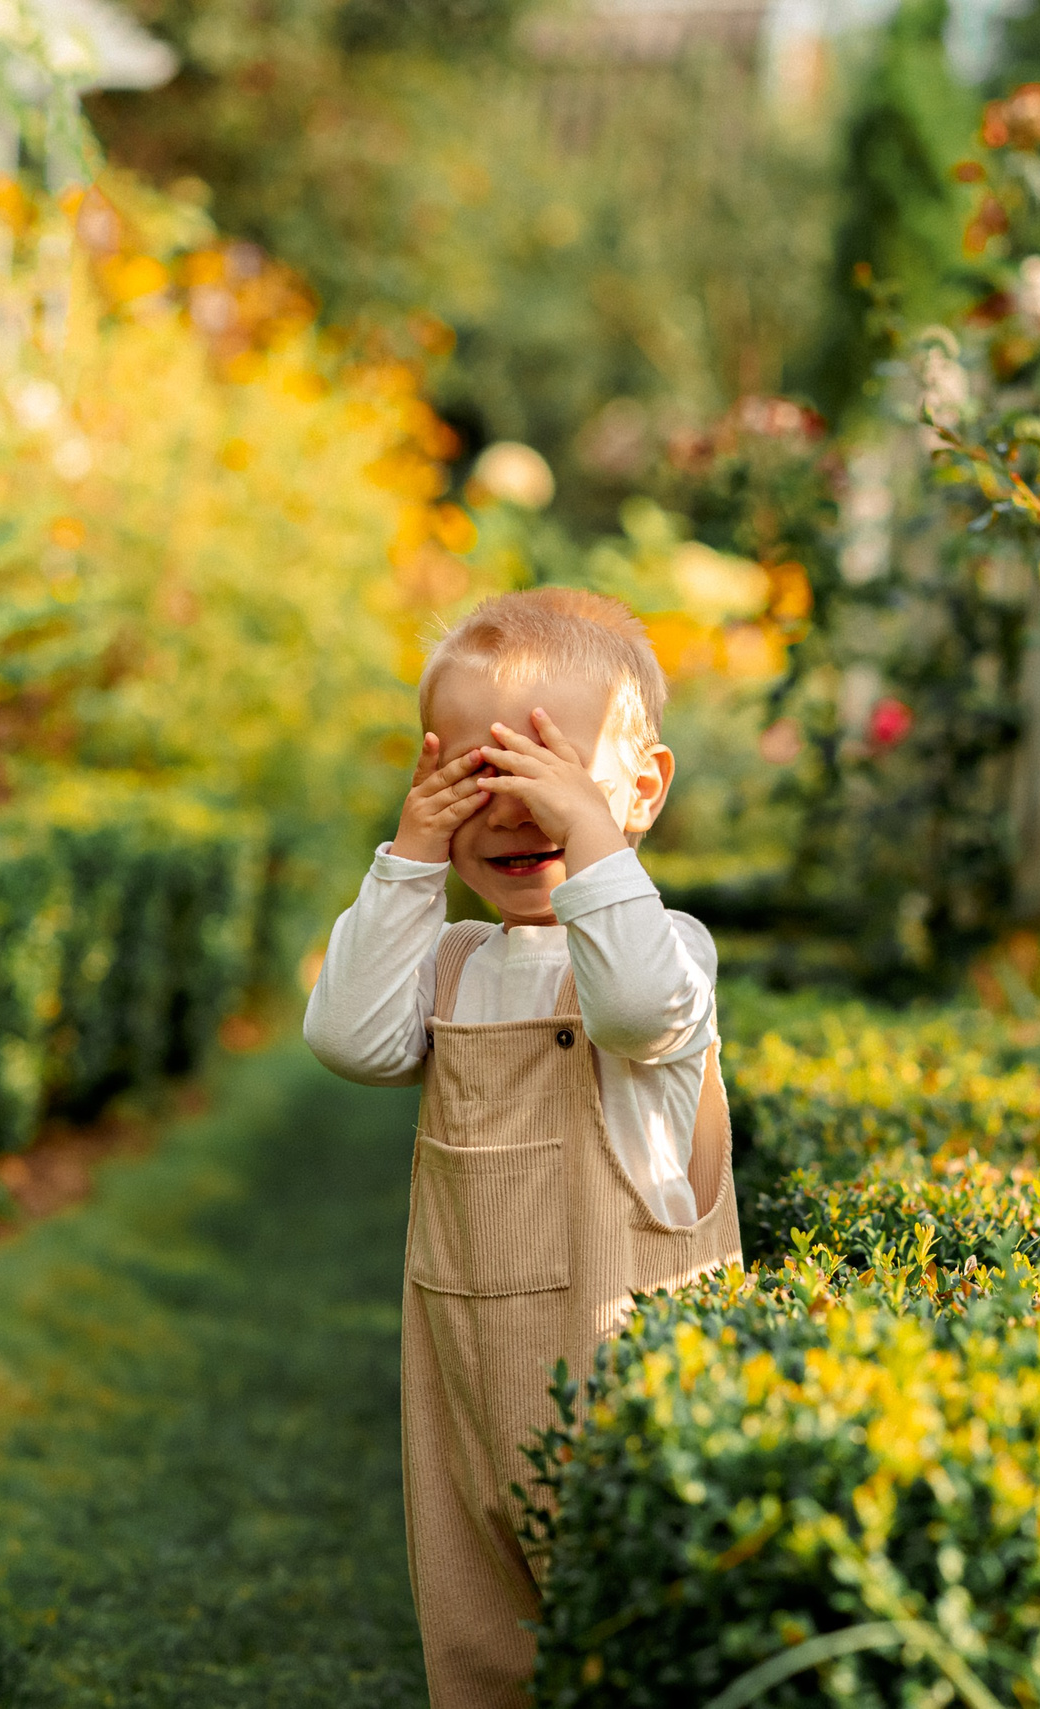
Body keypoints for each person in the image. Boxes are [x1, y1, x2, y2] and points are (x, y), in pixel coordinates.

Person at [303, 586, 743, 1706]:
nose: (513, 812)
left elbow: (638, 1009)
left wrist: (590, 839)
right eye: (479, 778)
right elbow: (347, 1036)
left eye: (549, 772)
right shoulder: (453, 963)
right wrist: (409, 855)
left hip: (622, 1387)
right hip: (459, 1388)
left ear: (640, 793)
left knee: (625, 1647)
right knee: (479, 1647)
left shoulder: (663, 951)